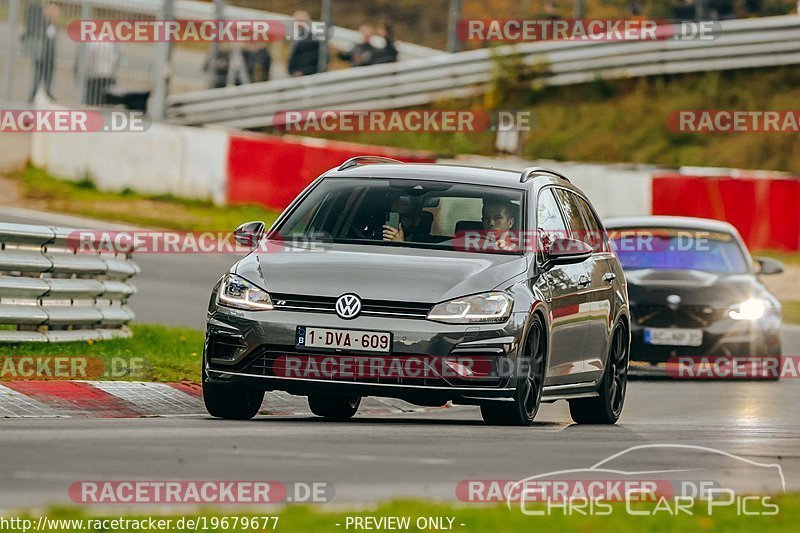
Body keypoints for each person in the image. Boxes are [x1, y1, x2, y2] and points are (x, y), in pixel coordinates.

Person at [23, 2, 59, 101]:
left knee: (42, 78)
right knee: (38, 78)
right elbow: (50, 40)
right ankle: (32, 99)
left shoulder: (49, 26)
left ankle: (40, 96)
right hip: (44, 55)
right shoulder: (47, 26)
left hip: (45, 55)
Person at [82, 38, 120, 105]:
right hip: (109, 77)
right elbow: (116, 59)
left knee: (92, 103)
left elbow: (88, 61)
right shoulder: (111, 42)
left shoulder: (91, 42)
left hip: (94, 78)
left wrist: (86, 73)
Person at [288, 11, 320, 77]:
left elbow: (309, 57)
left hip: (304, 75)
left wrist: (301, 71)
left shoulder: (310, 38)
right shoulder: (299, 36)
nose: (297, 24)